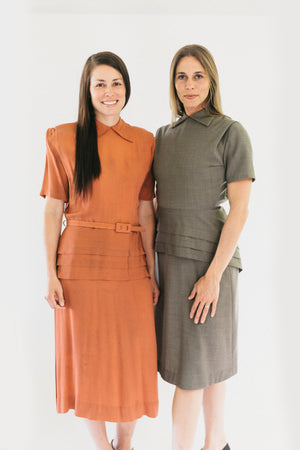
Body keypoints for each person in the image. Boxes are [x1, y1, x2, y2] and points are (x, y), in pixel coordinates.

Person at [40, 51, 159, 450]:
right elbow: (53, 209)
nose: (109, 93)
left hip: (130, 263)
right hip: (79, 264)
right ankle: (100, 447)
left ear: (127, 87)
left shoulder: (145, 141)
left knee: (132, 356)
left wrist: (152, 272)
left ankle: (124, 444)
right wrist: (50, 273)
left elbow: (146, 211)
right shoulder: (62, 137)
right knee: (86, 358)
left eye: (116, 83)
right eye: (100, 84)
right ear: (87, 90)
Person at [153, 44, 255, 450]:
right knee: (201, 366)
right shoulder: (163, 136)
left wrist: (212, 276)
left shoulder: (231, 132)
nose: (189, 85)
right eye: (182, 76)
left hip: (212, 261)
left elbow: (241, 210)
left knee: (193, 371)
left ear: (211, 79)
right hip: (171, 259)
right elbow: (161, 201)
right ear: (173, 83)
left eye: (198, 76)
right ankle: (218, 443)